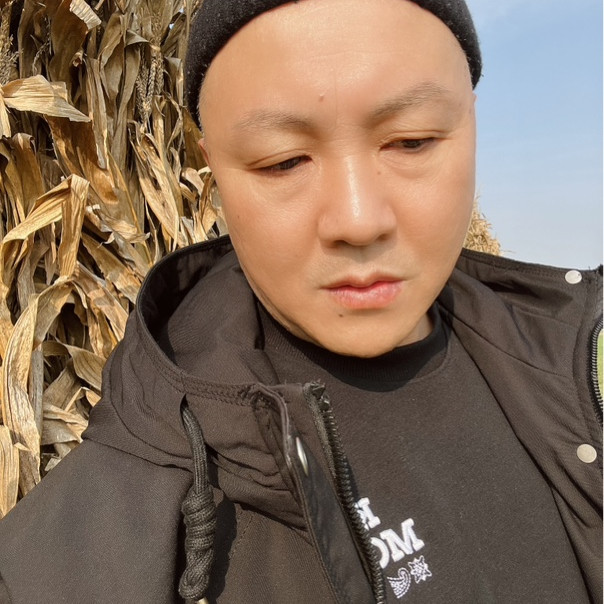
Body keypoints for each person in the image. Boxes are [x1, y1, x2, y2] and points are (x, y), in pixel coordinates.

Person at [0, 0, 601, 602]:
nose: (359, 220)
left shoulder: (581, 367)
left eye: (412, 141)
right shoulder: (84, 555)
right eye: (283, 161)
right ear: (213, 171)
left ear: (472, 122)